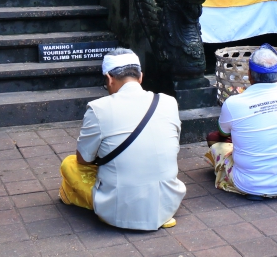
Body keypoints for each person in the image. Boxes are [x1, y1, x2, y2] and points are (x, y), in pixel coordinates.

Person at [59, 48, 185, 230]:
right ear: (140, 77)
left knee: (69, 164)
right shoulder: (168, 102)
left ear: (109, 78)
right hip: (167, 203)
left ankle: (80, 200)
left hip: (119, 211)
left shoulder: (98, 108)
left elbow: (83, 159)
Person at [204, 44, 277, 199]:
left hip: (247, 184)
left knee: (217, 145)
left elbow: (223, 133)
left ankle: (256, 190)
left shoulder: (233, 103)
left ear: (249, 75)